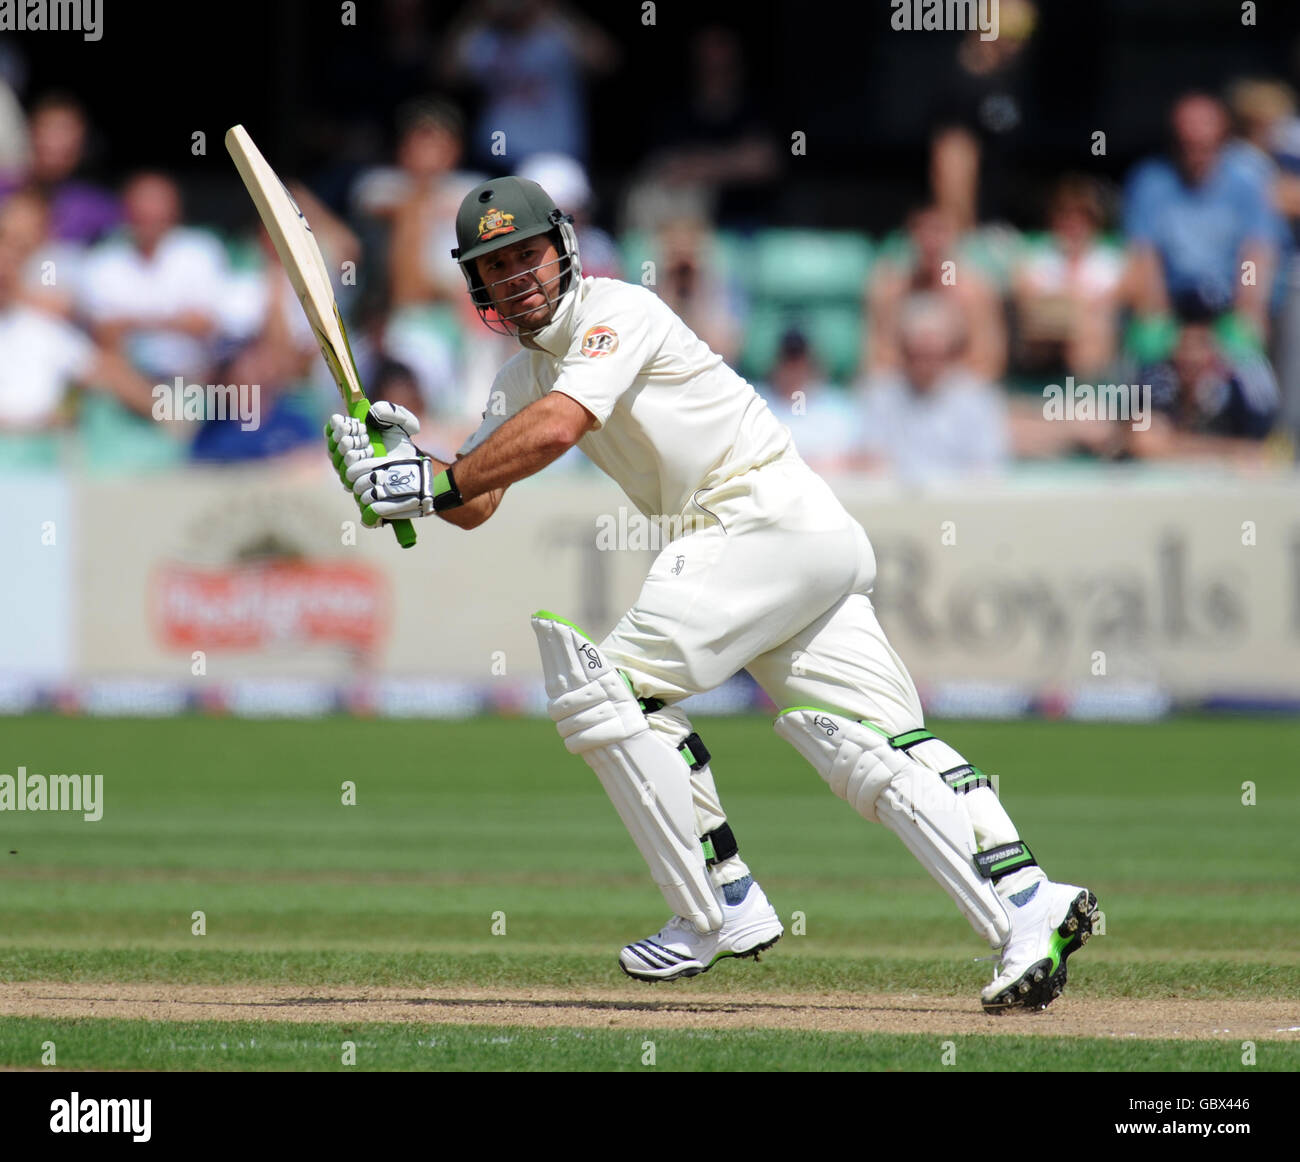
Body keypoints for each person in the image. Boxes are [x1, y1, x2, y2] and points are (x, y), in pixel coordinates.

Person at [325, 177, 1099, 1012]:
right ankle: (1031, 902)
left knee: (607, 691)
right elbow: (475, 502)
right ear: (474, 286)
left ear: (565, 249)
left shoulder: (617, 312)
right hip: (798, 541)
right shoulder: (521, 376)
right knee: (877, 747)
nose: (517, 276)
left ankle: (720, 902)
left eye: (527, 255)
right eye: (494, 265)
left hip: (751, 519)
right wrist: (400, 464)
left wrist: (429, 485)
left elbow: (557, 429)